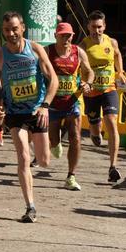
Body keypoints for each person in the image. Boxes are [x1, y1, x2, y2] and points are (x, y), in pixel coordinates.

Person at [0, 11, 58, 223]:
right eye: (7, 30)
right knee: (23, 157)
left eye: (15, 29)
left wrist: (46, 106)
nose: (11, 33)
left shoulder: (35, 50)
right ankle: (30, 206)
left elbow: (53, 79)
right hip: (15, 113)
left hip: (37, 110)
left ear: (23, 28)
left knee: (44, 160)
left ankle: (45, 145)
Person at [81, 10, 126, 183]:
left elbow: (117, 54)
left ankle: (113, 167)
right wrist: (82, 83)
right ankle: (95, 132)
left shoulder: (111, 42)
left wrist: (120, 71)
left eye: (99, 27)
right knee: (95, 129)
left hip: (109, 89)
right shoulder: (83, 46)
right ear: (88, 26)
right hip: (92, 92)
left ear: (104, 26)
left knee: (112, 122)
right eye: (93, 27)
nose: (96, 30)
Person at [47, 22, 94, 191]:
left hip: (73, 100)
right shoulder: (48, 52)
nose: (66, 38)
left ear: (73, 36)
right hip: (53, 102)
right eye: (62, 35)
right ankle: (55, 143)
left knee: (75, 136)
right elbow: (38, 71)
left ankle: (71, 176)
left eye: (69, 35)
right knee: (53, 139)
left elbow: (90, 71)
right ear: (56, 36)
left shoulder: (78, 52)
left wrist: (88, 83)